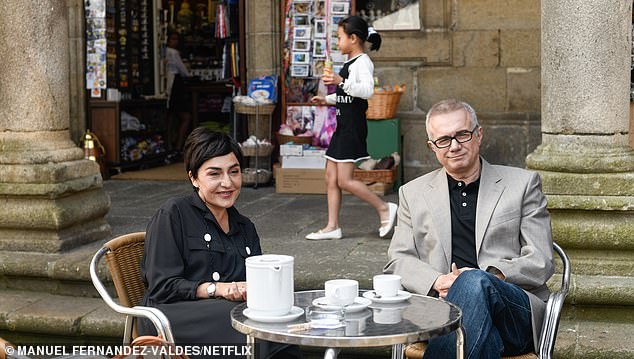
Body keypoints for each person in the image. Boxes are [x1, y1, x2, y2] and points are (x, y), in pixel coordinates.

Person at [384, 99, 554, 358]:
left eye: (462, 135)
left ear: (478, 135)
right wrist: (439, 281)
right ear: (432, 147)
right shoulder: (413, 193)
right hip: (441, 312)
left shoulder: (522, 184)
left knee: (474, 282)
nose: (454, 146)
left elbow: (540, 260)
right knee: (481, 339)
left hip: (512, 311)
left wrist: (489, 277)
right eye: (443, 140)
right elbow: (399, 259)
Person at [139, 128, 301, 359]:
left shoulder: (244, 226)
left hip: (227, 313)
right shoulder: (173, 214)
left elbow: (255, 282)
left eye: (234, 172)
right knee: (256, 332)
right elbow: (163, 286)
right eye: (214, 174)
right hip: (171, 317)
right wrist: (218, 289)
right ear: (194, 178)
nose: (227, 183)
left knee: (279, 322)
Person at [307, 16, 396, 240]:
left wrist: (339, 80)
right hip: (343, 126)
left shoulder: (363, 62)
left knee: (344, 180)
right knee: (330, 176)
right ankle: (332, 226)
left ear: (353, 38)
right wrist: (326, 100)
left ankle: (384, 208)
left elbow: (366, 91)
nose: (338, 43)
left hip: (352, 128)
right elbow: (348, 96)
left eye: (339, 37)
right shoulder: (350, 63)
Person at [166, 32, 192, 154]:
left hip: (168, 85)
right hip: (176, 85)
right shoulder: (173, 53)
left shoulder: (163, 51)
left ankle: (169, 145)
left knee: (171, 116)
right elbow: (184, 71)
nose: (175, 41)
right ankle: (178, 146)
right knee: (185, 116)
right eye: (173, 38)